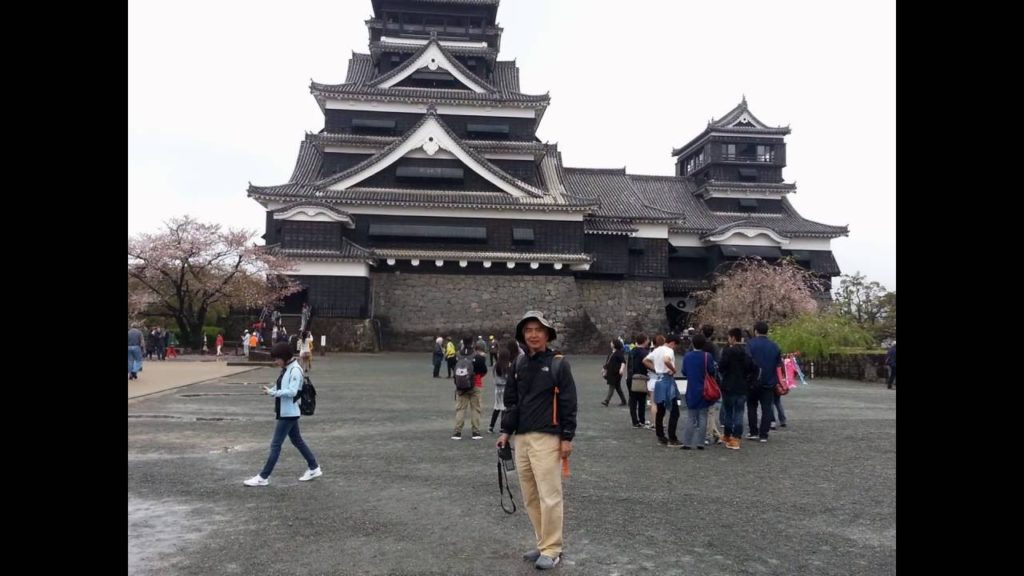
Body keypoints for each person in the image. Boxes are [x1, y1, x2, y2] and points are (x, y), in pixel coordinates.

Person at [497, 311, 577, 570]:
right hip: (522, 437)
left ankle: (553, 548)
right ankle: (543, 542)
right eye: (528, 330)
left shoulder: (558, 363)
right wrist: (506, 432)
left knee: (549, 495)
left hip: (547, 436)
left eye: (538, 330)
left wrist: (567, 437)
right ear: (523, 334)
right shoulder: (518, 365)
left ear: (547, 334)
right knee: (530, 494)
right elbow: (512, 402)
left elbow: (568, 402)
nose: (533, 334)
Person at [244, 342, 322, 487]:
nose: (275, 361)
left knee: (275, 445)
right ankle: (314, 467)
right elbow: (283, 386)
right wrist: (272, 389)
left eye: (277, 358)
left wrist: (273, 392)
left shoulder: (295, 370)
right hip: (288, 412)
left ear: (285, 357)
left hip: (289, 413)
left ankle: (263, 476)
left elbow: (292, 391)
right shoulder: (288, 368)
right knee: (297, 441)